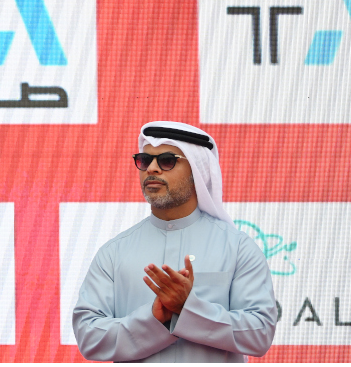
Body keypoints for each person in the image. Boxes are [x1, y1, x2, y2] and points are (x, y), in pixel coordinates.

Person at [72, 121, 277, 362]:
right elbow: (89, 337)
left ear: (197, 171)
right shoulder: (114, 252)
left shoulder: (238, 248)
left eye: (167, 160)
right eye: (145, 160)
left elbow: (259, 334)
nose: (152, 169)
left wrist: (188, 309)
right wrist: (155, 320)